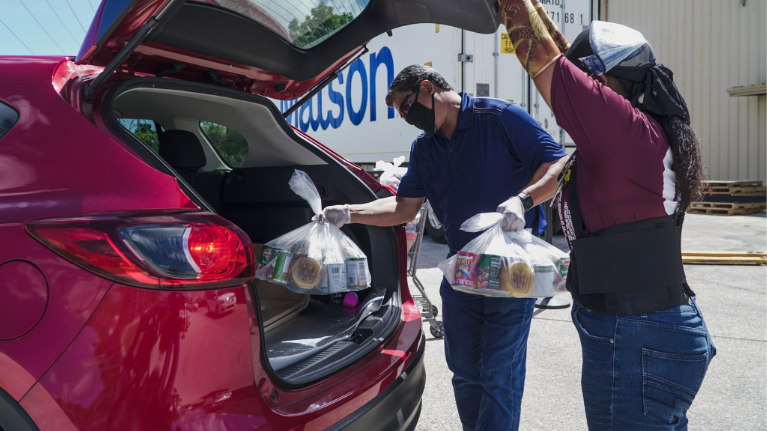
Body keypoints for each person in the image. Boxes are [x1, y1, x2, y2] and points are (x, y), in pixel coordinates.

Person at [498, 1, 716, 430]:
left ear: (604, 80)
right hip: (649, 331)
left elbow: (545, 60)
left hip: (636, 338)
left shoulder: (623, 128)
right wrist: (523, 202)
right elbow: (564, 170)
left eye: (589, 79)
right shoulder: (642, 134)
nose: (583, 88)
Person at [321, 65, 567, 430]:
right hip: (461, 274)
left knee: (500, 375)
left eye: (407, 108)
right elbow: (404, 207)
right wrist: (349, 213)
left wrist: (523, 200)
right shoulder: (424, 148)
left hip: (511, 273)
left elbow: (557, 160)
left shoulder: (499, 118)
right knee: (466, 375)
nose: (408, 120)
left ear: (427, 88)